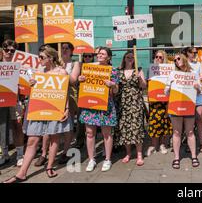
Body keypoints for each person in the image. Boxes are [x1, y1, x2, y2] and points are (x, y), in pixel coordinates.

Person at [4, 46, 72, 182]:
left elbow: (66, 93)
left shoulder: (61, 72)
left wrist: (67, 109)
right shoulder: (39, 72)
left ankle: (50, 166)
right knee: (32, 140)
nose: (39, 59)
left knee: (54, 139)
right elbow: (34, 91)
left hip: (55, 109)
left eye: (41, 57)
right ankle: (22, 173)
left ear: (50, 58)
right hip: (38, 109)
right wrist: (32, 84)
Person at [78, 47, 119, 172]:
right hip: (90, 105)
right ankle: (91, 159)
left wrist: (113, 85)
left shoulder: (113, 71)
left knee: (107, 134)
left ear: (109, 57)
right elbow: (84, 85)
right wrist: (81, 80)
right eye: (99, 53)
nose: (99, 55)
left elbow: (116, 92)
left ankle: (107, 159)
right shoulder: (89, 67)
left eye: (103, 53)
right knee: (90, 133)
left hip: (105, 105)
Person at [165, 53, 202, 169]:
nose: (176, 61)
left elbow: (200, 91)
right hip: (175, 106)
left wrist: (197, 87)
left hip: (189, 106)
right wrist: (169, 88)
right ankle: (176, 158)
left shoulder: (193, 74)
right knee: (176, 132)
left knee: (190, 132)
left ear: (184, 59)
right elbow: (166, 91)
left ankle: (194, 156)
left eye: (178, 58)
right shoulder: (172, 74)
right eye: (175, 60)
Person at [114, 51, 147, 166]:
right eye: (128, 57)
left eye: (132, 57)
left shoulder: (139, 70)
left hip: (135, 103)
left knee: (137, 127)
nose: (130, 59)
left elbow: (144, 86)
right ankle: (128, 153)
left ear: (135, 59)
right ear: (124, 58)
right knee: (124, 128)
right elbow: (116, 89)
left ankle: (139, 155)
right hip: (122, 103)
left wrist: (140, 79)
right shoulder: (119, 71)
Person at [57, 42, 79, 164]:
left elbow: (73, 80)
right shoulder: (56, 62)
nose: (64, 50)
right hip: (56, 96)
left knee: (68, 124)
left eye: (67, 48)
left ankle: (65, 151)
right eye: (62, 48)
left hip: (70, 96)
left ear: (71, 51)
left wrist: (64, 72)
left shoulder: (75, 63)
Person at [147, 50, 172, 155]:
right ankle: (153, 145)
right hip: (154, 100)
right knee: (153, 123)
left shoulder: (169, 70)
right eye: (156, 57)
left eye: (160, 57)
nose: (158, 59)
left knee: (164, 123)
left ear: (164, 58)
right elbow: (147, 83)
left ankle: (162, 144)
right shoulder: (151, 68)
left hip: (165, 100)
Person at [182, 47, 202, 153]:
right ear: (187, 53)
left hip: (198, 93)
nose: (195, 54)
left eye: (196, 52)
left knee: (199, 119)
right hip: (187, 94)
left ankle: (201, 143)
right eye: (193, 52)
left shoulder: (198, 64)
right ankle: (189, 144)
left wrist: (193, 77)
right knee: (189, 122)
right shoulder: (182, 64)